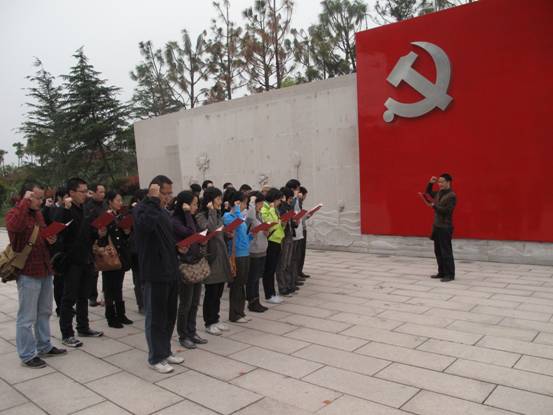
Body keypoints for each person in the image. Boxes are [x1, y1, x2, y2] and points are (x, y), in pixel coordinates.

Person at [7, 183, 67, 368]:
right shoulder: (15, 213)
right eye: (38, 198)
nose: (41, 202)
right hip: (28, 272)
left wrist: (50, 239)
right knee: (27, 317)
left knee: (44, 311)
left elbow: (40, 236)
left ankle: (44, 345)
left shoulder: (38, 214)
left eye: (42, 198)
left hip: (44, 268)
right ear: (27, 196)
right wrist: (24, 203)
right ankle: (27, 354)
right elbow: (15, 228)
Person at [133, 175, 184, 373]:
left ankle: (166, 350)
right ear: (154, 190)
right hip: (154, 271)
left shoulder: (163, 211)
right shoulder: (141, 209)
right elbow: (146, 227)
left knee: (169, 315)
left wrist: (179, 248)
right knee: (156, 317)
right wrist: (153, 201)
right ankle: (155, 357)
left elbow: (166, 238)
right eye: (165, 193)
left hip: (170, 269)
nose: (168, 197)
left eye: (170, 193)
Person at [55, 178, 105, 348]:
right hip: (71, 260)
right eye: (82, 191)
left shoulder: (85, 209)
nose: (85, 194)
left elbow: (88, 233)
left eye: (86, 191)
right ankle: (67, 333)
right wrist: (64, 208)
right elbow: (58, 229)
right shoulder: (65, 210)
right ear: (71, 193)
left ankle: (83, 327)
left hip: (86, 258)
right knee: (69, 298)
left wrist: (98, 233)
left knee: (83, 295)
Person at [171, 191, 208, 349]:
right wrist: (187, 214)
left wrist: (204, 239)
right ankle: (183, 335)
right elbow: (190, 233)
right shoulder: (175, 220)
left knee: (194, 303)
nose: (196, 207)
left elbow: (198, 233)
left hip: (196, 263)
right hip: (184, 265)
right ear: (184, 205)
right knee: (185, 304)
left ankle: (192, 332)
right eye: (193, 204)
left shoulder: (191, 218)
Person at [196, 187, 232, 336]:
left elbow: (219, 232)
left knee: (218, 291)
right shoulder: (201, 215)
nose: (220, 201)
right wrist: (211, 211)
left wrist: (228, 232)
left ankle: (216, 319)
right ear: (210, 200)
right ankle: (209, 322)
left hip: (221, 255)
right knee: (211, 292)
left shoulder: (217, 214)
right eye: (218, 198)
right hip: (211, 257)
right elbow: (210, 229)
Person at [101, 191, 133, 328]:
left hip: (120, 255)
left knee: (118, 286)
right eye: (118, 200)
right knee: (109, 287)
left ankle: (121, 314)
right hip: (109, 255)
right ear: (110, 201)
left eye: (121, 200)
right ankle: (111, 316)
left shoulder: (119, 216)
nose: (120, 203)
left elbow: (122, 236)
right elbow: (101, 237)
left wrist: (126, 232)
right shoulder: (105, 216)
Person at [419, 174, 457, 282]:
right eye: (439, 182)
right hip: (437, 226)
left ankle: (450, 275)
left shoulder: (452, 196)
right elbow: (428, 192)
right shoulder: (439, 193)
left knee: (446, 252)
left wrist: (433, 205)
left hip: (445, 227)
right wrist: (431, 183)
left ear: (448, 182)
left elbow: (446, 211)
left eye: (442, 182)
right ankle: (441, 272)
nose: (439, 184)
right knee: (438, 251)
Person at [223, 191, 251, 324]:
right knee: (236, 285)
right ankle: (234, 314)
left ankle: (241, 311)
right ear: (236, 203)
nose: (245, 205)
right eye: (244, 203)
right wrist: (237, 209)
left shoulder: (241, 217)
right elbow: (238, 224)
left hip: (245, 252)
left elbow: (243, 234)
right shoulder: (228, 217)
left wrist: (251, 236)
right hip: (236, 254)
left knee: (242, 284)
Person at [245, 191, 269, 313]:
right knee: (252, 279)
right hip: (253, 251)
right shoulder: (250, 214)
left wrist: (266, 231)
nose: (262, 206)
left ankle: (257, 301)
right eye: (260, 203)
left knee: (257, 278)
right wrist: (252, 201)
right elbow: (250, 218)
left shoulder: (260, 215)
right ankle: (252, 302)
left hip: (262, 250)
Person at [84, 183, 106, 307]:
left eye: (104, 192)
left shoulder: (104, 204)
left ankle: (105, 294)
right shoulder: (88, 206)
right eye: (100, 192)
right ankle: (92, 296)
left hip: (105, 238)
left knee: (108, 267)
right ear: (94, 193)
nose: (103, 194)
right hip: (94, 240)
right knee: (94, 271)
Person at [261, 188, 284, 304]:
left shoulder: (273, 208)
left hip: (277, 240)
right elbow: (271, 223)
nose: (280, 202)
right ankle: (269, 295)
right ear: (274, 199)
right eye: (279, 200)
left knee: (272, 269)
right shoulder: (265, 208)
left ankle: (272, 293)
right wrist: (271, 209)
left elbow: (277, 223)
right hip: (271, 241)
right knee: (269, 270)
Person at [129, 189, 147, 314]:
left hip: (146, 250)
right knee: (138, 279)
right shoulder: (133, 212)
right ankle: (141, 304)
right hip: (135, 251)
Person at [286, 179, 305, 289]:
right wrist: (295, 198)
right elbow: (291, 210)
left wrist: (299, 199)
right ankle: (289, 282)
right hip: (292, 232)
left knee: (295, 258)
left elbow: (298, 210)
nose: (298, 191)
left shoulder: (296, 199)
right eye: (297, 189)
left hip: (298, 230)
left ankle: (294, 279)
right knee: (290, 259)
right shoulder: (290, 199)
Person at [297, 186, 310, 279]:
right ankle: (297, 273)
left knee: (302, 253)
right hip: (298, 230)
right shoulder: (296, 202)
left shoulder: (299, 203)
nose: (305, 197)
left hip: (302, 229)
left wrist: (306, 216)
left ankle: (299, 271)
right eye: (305, 195)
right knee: (298, 254)